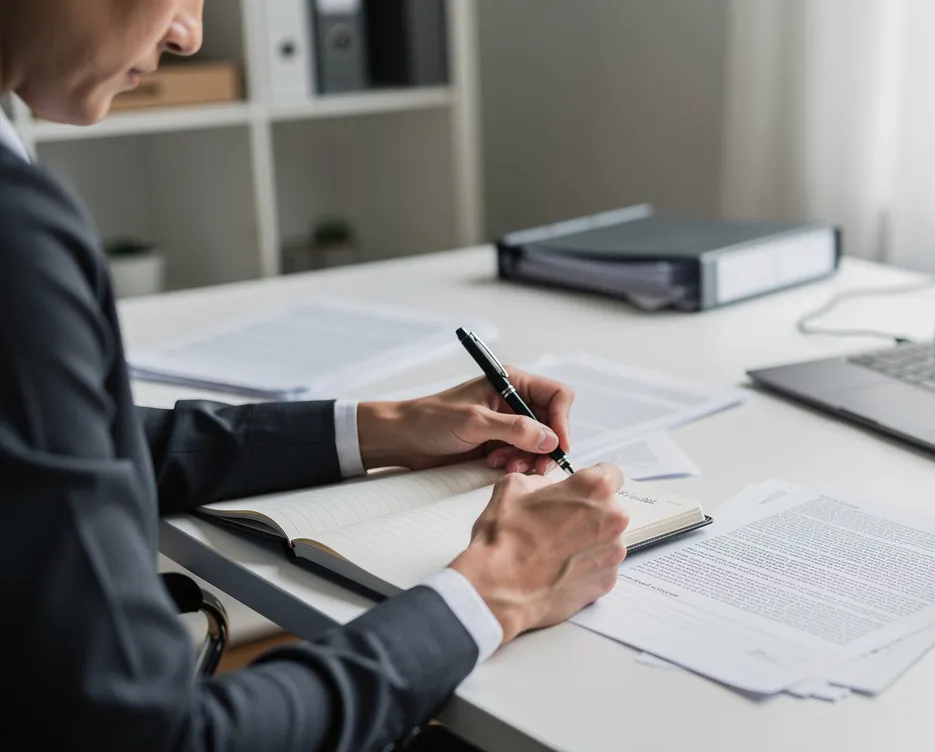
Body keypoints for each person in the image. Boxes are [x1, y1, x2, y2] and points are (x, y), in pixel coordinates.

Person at [0, 1, 630, 749]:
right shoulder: (16, 235)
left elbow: (60, 448)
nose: (189, 35)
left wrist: (388, 428)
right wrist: (495, 592)